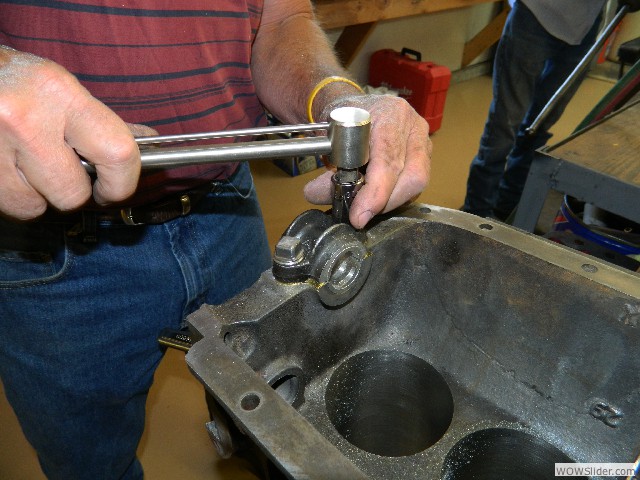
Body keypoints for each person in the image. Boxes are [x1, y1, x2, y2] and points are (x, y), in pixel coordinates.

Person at [0, 1, 431, 479]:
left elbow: (281, 21)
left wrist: (339, 100)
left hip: (226, 206)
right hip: (52, 250)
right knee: (89, 463)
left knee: (280, 418)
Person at [462, 0, 606, 220]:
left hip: (584, 25)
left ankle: (506, 208)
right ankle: (476, 213)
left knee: (540, 124)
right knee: (505, 125)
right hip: (535, 12)